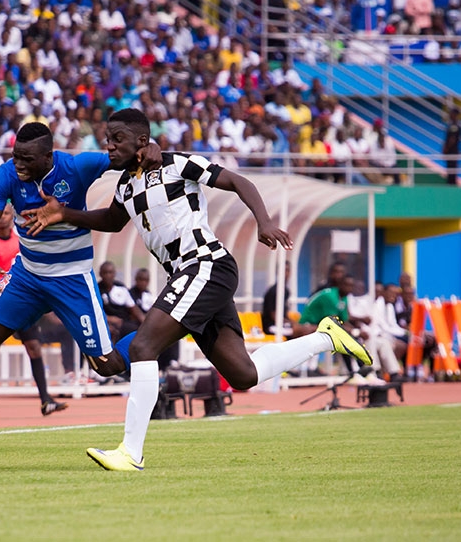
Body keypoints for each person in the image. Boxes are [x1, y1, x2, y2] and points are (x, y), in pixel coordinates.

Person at [19, 108, 372, 471]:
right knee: (243, 375)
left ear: (142, 141)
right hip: (193, 276)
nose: (109, 145)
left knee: (142, 346)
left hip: (206, 264)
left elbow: (239, 182)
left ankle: (130, 452)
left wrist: (264, 222)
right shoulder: (125, 185)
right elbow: (111, 221)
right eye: (108, 138)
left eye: (118, 139)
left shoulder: (176, 165)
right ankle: (325, 337)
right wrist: (64, 214)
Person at [0, 122, 161, 458]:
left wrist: (152, 150)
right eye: (15, 156)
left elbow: (126, 156)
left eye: (26, 159)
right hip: (26, 276)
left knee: (106, 365)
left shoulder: (77, 166)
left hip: (72, 278)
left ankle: (156, 333)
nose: (18, 164)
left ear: (48, 156)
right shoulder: (7, 174)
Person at [0, 204, 68, 419]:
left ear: (12, 216)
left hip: (22, 301)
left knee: (34, 348)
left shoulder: (20, 241)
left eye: (7, 214)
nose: (3, 218)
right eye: (1, 214)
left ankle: (45, 400)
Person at [129, 267, 178, 372]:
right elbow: (135, 313)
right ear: (136, 279)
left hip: (147, 324)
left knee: (172, 332)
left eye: (145, 280)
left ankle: (170, 363)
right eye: (140, 279)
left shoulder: (149, 295)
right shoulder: (130, 294)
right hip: (136, 325)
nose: (143, 283)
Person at [98, 261, 144, 342]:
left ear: (114, 274)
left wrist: (145, 322)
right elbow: (95, 311)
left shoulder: (121, 287)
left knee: (137, 330)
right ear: (100, 274)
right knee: (110, 331)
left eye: (110, 272)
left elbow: (133, 308)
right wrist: (110, 319)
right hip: (106, 322)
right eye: (105, 273)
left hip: (124, 322)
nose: (108, 275)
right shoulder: (97, 290)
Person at [261, 260, 292, 337]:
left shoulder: (286, 291)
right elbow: (273, 315)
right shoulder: (274, 291)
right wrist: (290, 323)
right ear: (278, 272)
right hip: (271, 326)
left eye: (288, 270)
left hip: (283, 325)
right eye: (284, 270)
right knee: (299, 331)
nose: (286, 273)